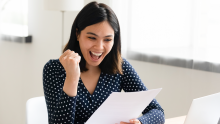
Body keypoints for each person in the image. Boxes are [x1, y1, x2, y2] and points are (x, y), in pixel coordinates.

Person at [43, 1, 165, 124]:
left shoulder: (119, 67)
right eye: (91, 37)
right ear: (77, 34)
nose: (99, 47)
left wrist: (139, 122)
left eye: (107, 39)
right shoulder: (54, 69)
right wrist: (72, 78)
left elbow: (157, 112)